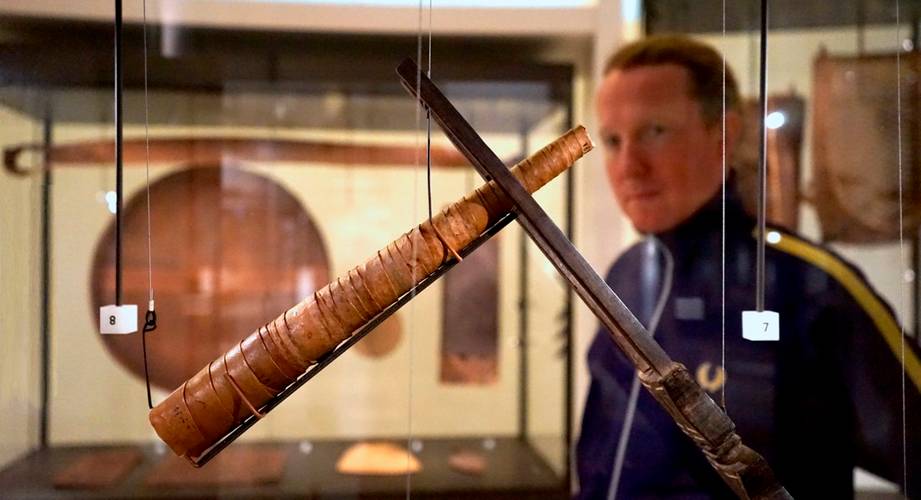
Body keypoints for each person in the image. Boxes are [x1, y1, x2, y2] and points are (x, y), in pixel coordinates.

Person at [575, 34, 921, 499]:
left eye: (655, 131)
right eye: (613, 141)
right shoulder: (625, 275)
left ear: (724, 135)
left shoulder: (810, 286)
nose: (628, 166)